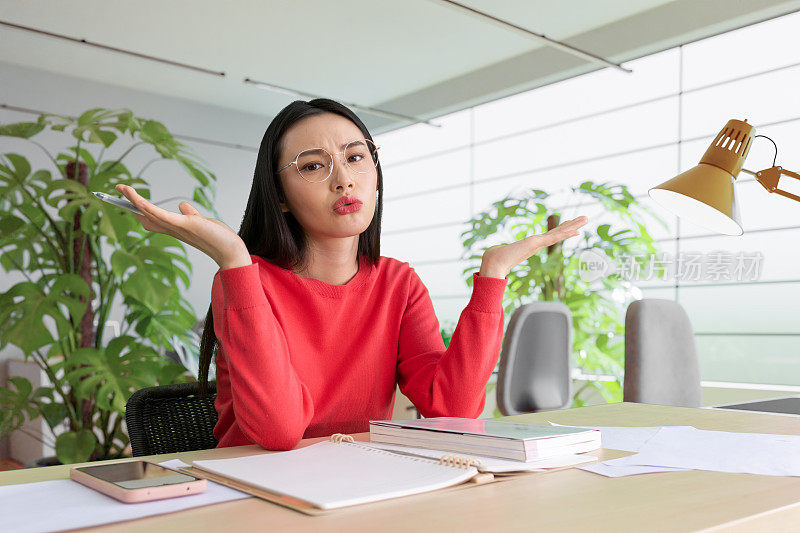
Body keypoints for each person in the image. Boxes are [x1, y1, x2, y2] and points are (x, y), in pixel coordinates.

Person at [116, 98, 587, 451]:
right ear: (278, 195)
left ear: (376, 174)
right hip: (255, 498)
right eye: (314, 166)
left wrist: (493, 277)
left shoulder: (399, 284)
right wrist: (235, 262)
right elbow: (279, 434)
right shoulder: (244, 282)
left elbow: (454, 409)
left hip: (360, 494)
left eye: (356, 157)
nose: (343, 179)